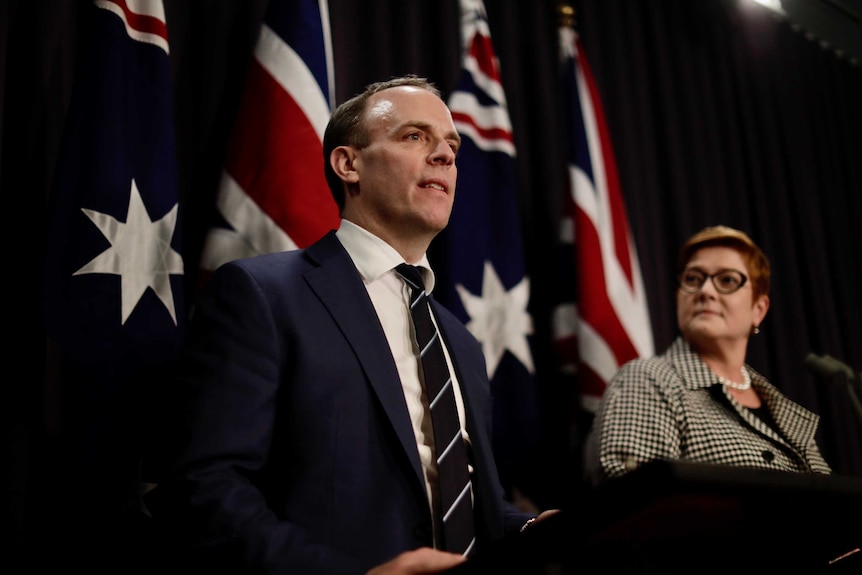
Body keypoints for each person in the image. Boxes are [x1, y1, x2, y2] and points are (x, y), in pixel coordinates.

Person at [146, 75, 557, 574]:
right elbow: (206, 485)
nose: (446, 157)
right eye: (415, 136)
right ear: (348, 164)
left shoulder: (460, 342)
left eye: (452, 145)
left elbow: (462, 506)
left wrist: (532, 531)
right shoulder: (264, 295)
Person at [584, 225, 832, 487]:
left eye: (726, 280)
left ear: (758, 309)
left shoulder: (782, 409)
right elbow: (633, 502)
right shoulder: (648, 379)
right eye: (693, 279)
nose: (706, 291)